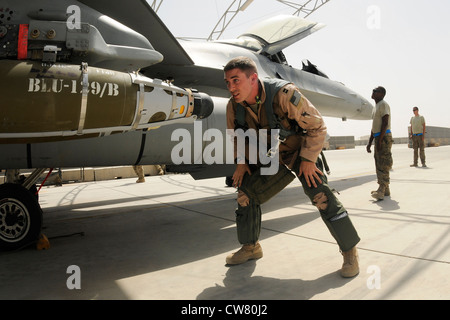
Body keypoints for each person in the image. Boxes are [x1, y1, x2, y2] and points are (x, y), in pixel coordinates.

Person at [224, 56, 360, 278]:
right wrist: (241, 164)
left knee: (321, 195)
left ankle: (349, 251)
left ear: (253, 78)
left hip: (300, 149)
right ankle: (251, 247)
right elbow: (236, 137)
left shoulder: (283, 94)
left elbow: (317, 126)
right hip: (271, 154)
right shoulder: (234, 107)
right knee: (245, 192)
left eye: (236, 80)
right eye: (228, 82)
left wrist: (307, 161)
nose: (231, 87)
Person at [366, 86, 393, 200]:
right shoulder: (375, 107)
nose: (372, 92)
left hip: (384, 137)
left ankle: (381, 189)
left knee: (384, 162)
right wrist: (370, 142)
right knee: (378, 162)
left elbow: (385, 122)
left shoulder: (383, 104)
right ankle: (385, 189)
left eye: (375, 91)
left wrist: (381, 139)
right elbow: (374, 127)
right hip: (378, 137)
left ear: (381, 94)